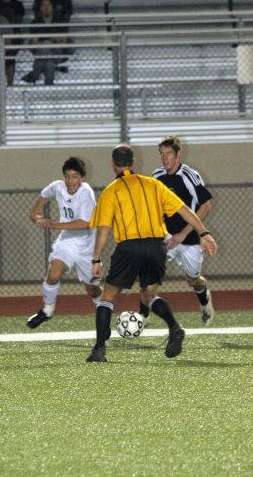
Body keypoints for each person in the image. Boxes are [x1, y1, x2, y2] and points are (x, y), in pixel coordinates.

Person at [87, 143, 217, 362]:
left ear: (112, 163)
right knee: (148, 295)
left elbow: (103, 229)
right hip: (156, 246)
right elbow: (185, 210)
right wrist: (204, 232)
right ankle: (174, 327)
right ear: (133, 162)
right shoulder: (152, 184)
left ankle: (99, 349)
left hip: (129, 248)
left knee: (108, 296)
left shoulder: (111, 191)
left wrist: (96, 258)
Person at [138, 135, 214, 327]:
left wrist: (184, 234)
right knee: (149, 277)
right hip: (165, 237)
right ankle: (142, 317)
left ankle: (204, 298)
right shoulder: (156, 176)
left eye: (169, 153)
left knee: (193, 280)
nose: (165, 158)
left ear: (178, 153)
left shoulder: (189, 175)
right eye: (161, 154)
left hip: (189, 239)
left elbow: (205, 207)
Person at [27, 157, 102, 329]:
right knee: (53, 274)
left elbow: (85, 224)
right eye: (67, 176)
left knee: (92, 290)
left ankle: (102, 310)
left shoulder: (86, 193)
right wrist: (35, 215)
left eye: (75, 176)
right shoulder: (57, 186)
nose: (70, 181)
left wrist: (53, 224)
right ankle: (47, 310)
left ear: (82, 178)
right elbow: (41, 200)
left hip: (87, 247)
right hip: (67, 241)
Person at [22, 0, 73, 81]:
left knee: (48, 49)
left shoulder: (66, 1)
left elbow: (65, 23)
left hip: (56, 39)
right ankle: (54, 69)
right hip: (44, 37)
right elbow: (38, 23)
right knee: (47, 54)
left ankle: (35, 74)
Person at [22, 0, 67, 85]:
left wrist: (46, 41)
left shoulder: (60, 22)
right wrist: (53, 40)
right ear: (40, 8)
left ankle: (35, 74)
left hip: (56, 53)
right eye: (43, 5)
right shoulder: (35, 23)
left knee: (46, 44)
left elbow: (63, 43)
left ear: (52, 7)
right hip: (42, 53)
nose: (46, 8)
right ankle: (49, 89)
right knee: (49, 63)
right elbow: (35, 43)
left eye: (48, 5)